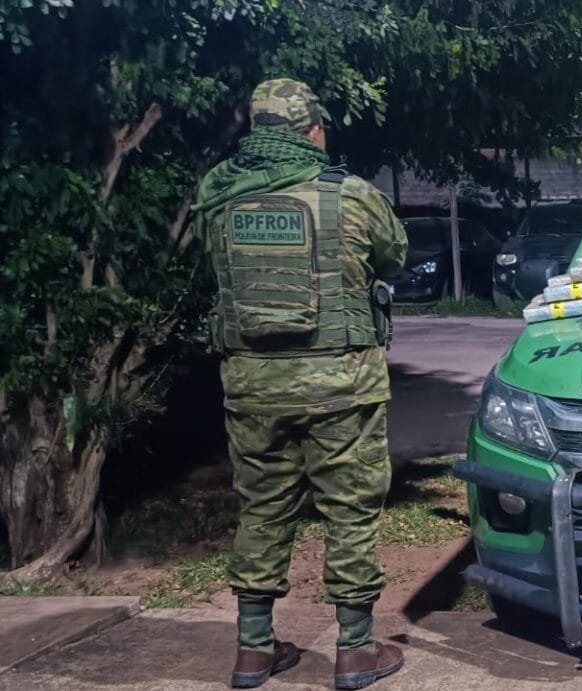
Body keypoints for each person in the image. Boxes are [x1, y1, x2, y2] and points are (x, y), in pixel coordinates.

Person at [193, 78, 407, 690]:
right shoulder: (352, 196)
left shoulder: (219, 197)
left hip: (253, 388)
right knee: (350, 513)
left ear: (257, 132)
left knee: (261, 509)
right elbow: (392, 256)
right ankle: (355, 650)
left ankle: (254, 650)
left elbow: (211, 268)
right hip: (343, 386)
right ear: (312, 130)